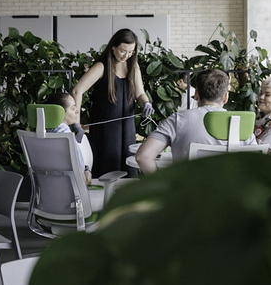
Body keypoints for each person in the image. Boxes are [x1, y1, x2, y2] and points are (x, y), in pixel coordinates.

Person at [71, 29, 152, 177]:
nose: (126, 56)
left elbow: (140, 94)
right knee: (105, 172)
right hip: (105, 132)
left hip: (127, 128)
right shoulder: (101, 67)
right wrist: (76, 123)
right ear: (113, 47)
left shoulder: (133, 67)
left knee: (128, 171)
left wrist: (146, 103)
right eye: (123, 51)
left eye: (131, 52)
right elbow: (77, 91)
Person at [136, 69, 237, 172]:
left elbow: (143, 157)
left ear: (196, 94)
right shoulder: (241, 123)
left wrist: (163, 182)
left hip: (184, 182)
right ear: (226, 97)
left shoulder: (177, 120)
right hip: (228, 183)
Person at [43, 91, 93, 185]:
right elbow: (82, 180)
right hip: (72, 190)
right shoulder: (65, 137)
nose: (77, 111)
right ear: (60, 112)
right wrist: (87, 171)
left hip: (46, 188)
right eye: (73, 108)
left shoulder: (41, 134)